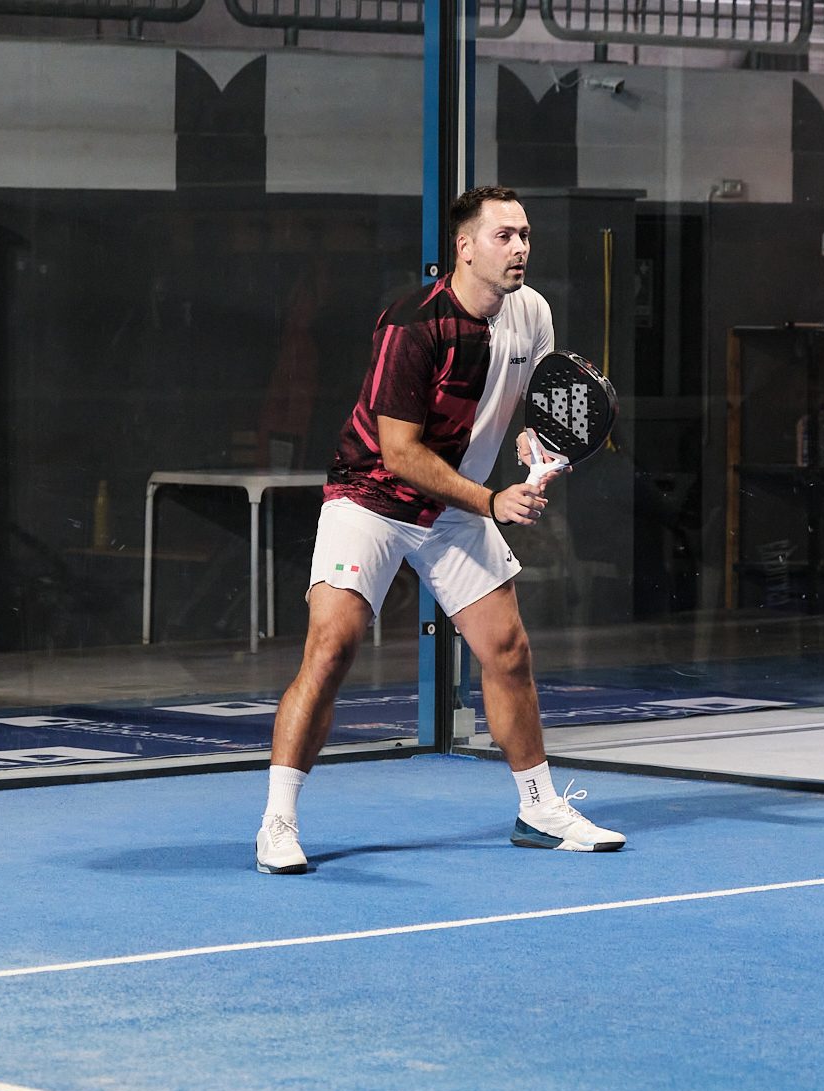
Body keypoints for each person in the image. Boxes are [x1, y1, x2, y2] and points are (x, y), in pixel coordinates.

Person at [254, 186, 625, 874]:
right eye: (504, 236)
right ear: (465, 247)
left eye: (525, 235)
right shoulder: (412, 325)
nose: (520, 247)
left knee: (508, 650)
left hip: (455, 511)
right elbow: (400, 453)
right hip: (370, 498)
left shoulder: (533, 313)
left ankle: (539, 808)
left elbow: (531, 414)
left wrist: (532, 451)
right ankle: (278, 819)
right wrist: (492, 501)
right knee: (331, 647)